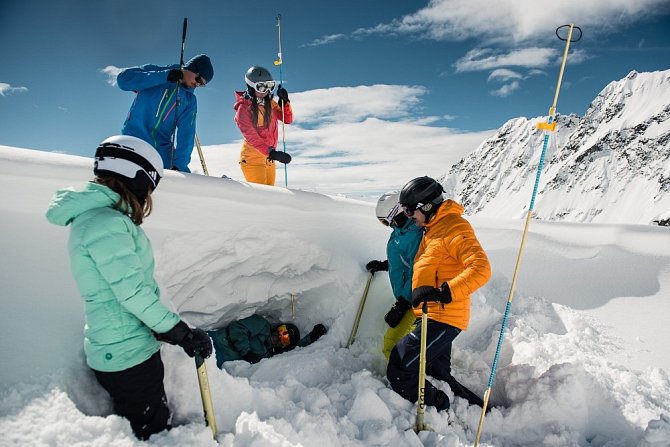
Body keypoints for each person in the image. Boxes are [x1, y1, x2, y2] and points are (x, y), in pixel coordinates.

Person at [45, 135, 213, 440]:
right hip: (127, 356)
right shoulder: (105, 224)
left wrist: (162, 329)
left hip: (122, 347)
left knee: (149, 421)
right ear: (134, 177)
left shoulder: (99, 220)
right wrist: (180, 332)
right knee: (151, 432)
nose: (148, 196)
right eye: (149, 186)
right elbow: (132, 292)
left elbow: (124, 289)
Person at [386, 176, 491, 412]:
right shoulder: (432, 229)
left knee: (400, 369)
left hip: (443, 317)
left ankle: (441, 406)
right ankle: (479, 411)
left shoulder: (453, 227)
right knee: (438, 373)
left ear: (426, 206)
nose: (409, 216)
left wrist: (444, 292)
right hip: (431, 315)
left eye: (409, 210)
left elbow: (481, 268)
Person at [117, 54, 214, 173]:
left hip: (160, 149)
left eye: (202, 84)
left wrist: (179, 165)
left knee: (179, 179)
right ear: (190, 68)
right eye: (198, 80)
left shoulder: (189, 100)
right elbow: (123, 80)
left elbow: (186, 134)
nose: (197, 85)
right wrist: (164, 76)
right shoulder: (159, 72)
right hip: (132, 140)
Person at [365, 191, 423, 359]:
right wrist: (385, 265)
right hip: (407, 299)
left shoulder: (416, 234)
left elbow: (418, 271)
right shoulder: (401, 231)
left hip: (414, 300)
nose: (388, 225)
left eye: (386, 220)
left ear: (397, 212)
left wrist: (403, 304)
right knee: (408, 343)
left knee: (392, 344)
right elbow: (404, 261)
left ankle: (403, 381)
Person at [234, 65, 293, 186]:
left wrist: (285, 102)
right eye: (261, 87)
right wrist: (271, 152)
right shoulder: (243, 109)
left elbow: (287, 119)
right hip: (253, 160)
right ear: (250, 87)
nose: (266, 91)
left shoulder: (269, 104)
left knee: (270, 197)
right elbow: (252, 137)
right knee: (262, 198)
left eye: (269, 86)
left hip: (269, 159)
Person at [207, 314, 327, 368]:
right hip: (216, 342)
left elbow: (294, 351)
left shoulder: (269, 354)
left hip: (220, 361)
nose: (280, 337)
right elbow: (237, 329)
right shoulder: (262, 325)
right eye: (282, 331)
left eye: (285, 339)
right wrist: (246, 352)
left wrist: (311, 337)